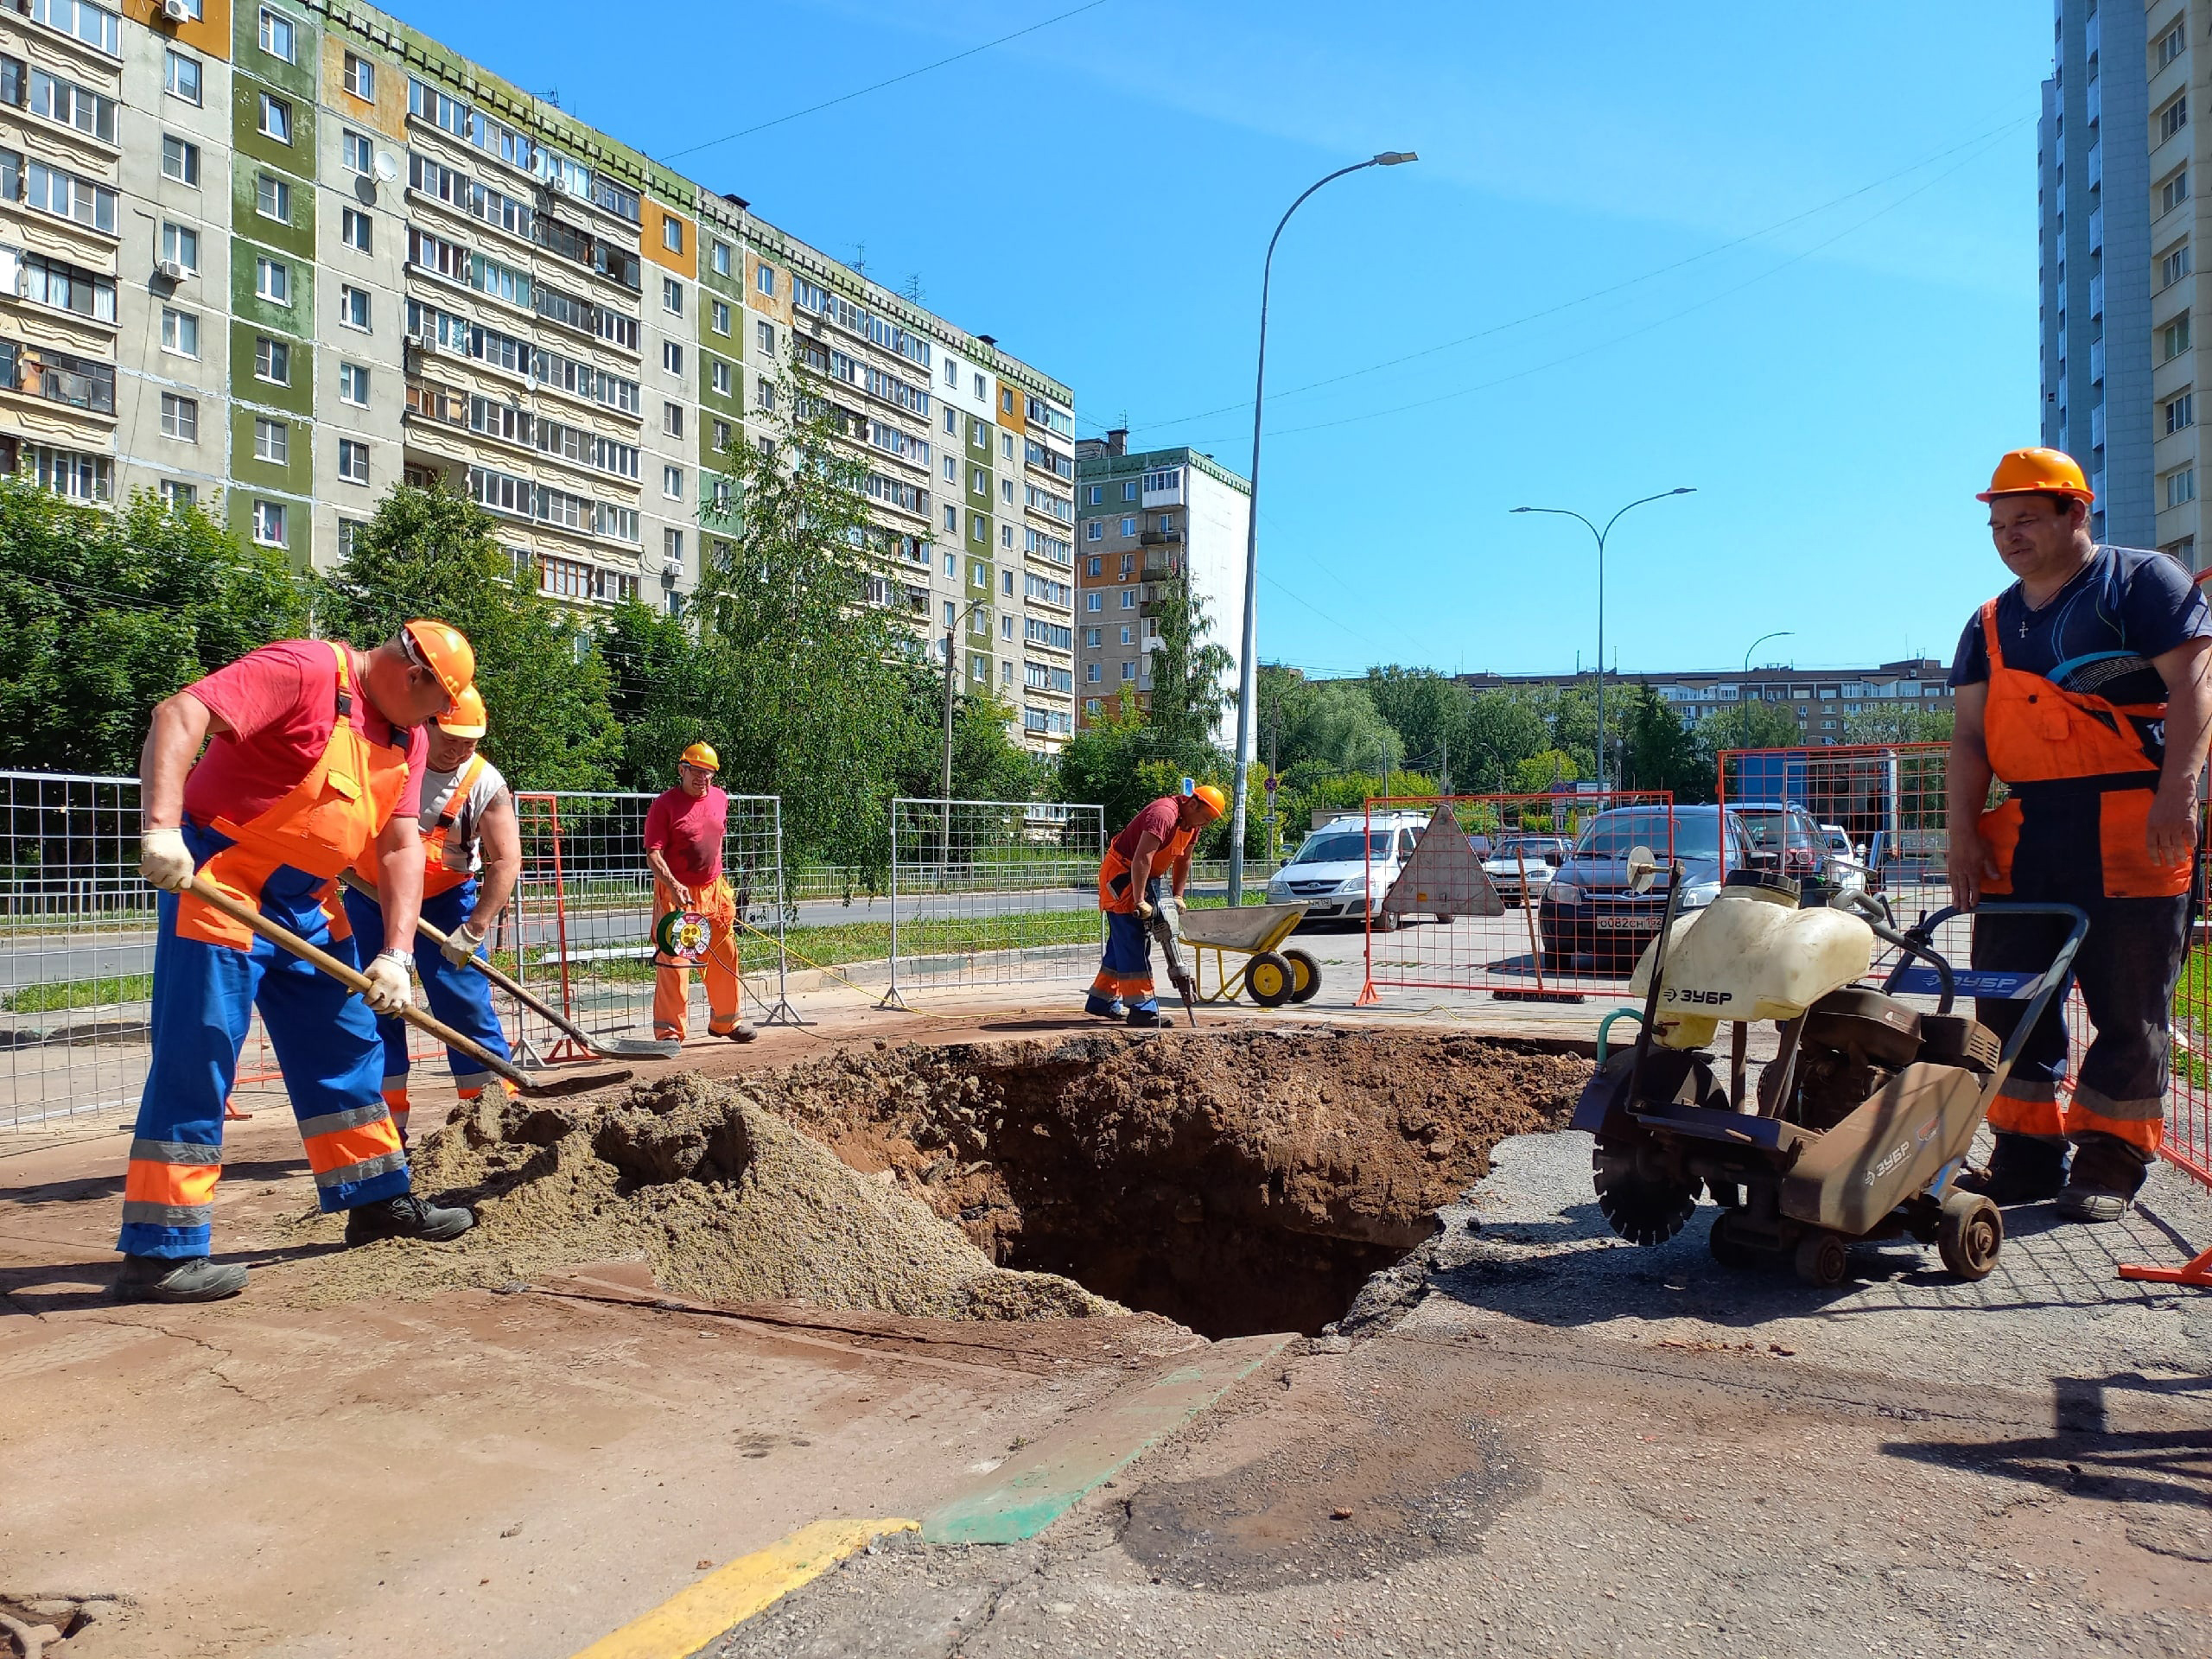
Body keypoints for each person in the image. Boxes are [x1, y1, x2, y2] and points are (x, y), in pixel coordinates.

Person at [120, 622, 481, 1303]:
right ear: (414, 677)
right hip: (222, 885)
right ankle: (160, 1253)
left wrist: (397, 954)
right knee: (200, 1056)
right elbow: (180, 712)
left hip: (308, 902)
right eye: (435, 706)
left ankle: (375, 1202)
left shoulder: (408, 736)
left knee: (347, 1046)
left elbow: (401, 845)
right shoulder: (307, 669)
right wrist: (161, 827)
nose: (436, 723)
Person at [1947, 448, 2212, 1221]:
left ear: (2077, 512)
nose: (2008, 535)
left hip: (2135, 821)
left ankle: (2110, 1156)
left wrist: (2178, 795)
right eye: (1998, 523)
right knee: (2008, 999)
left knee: (2129, 1003)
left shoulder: (2140, 583)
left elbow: (2195, 687)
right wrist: (1962, 832)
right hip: (2026, 826)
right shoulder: (1989, 621)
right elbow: (1968, 738)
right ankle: (2025, 1153)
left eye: (2026, 518)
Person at [340, 685, 520, 1145]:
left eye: (471, 741)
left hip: (445, 903)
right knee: (376, 1004)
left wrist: (475, 928)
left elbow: (505, 861)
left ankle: (494, 1120)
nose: (461, 749)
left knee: (463, 1006)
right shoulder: (389, 758)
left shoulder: (485, 782)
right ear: (428, 722)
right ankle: (384, 1130)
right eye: (453, 737)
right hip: (371, 897)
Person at [1087, 784, 1228, 1027]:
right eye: (1204, 818)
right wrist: (1140, 900)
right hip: (1122, 877)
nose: (1203, 825)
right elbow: (1143, 857)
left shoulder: (1191, 825)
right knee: (1133, 940)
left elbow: (1184, 859)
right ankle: (1142, 1008)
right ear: (1192, 804)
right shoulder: (1164, 814)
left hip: (1145, 877)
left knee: (1121, 943)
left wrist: (1178, 896)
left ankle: (1101, 1000)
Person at [645, 741, 756, 1044]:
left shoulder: (720, 799)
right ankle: (670, 1032)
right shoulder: (664, 805)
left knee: (725, 953)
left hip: (714, 890)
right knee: (674, 961)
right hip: (676, 892)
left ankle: (726, 1022)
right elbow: (653, 854)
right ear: (682, 769)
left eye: (708, 772)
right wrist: (674, 884)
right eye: (695, 771)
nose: (702, 778)